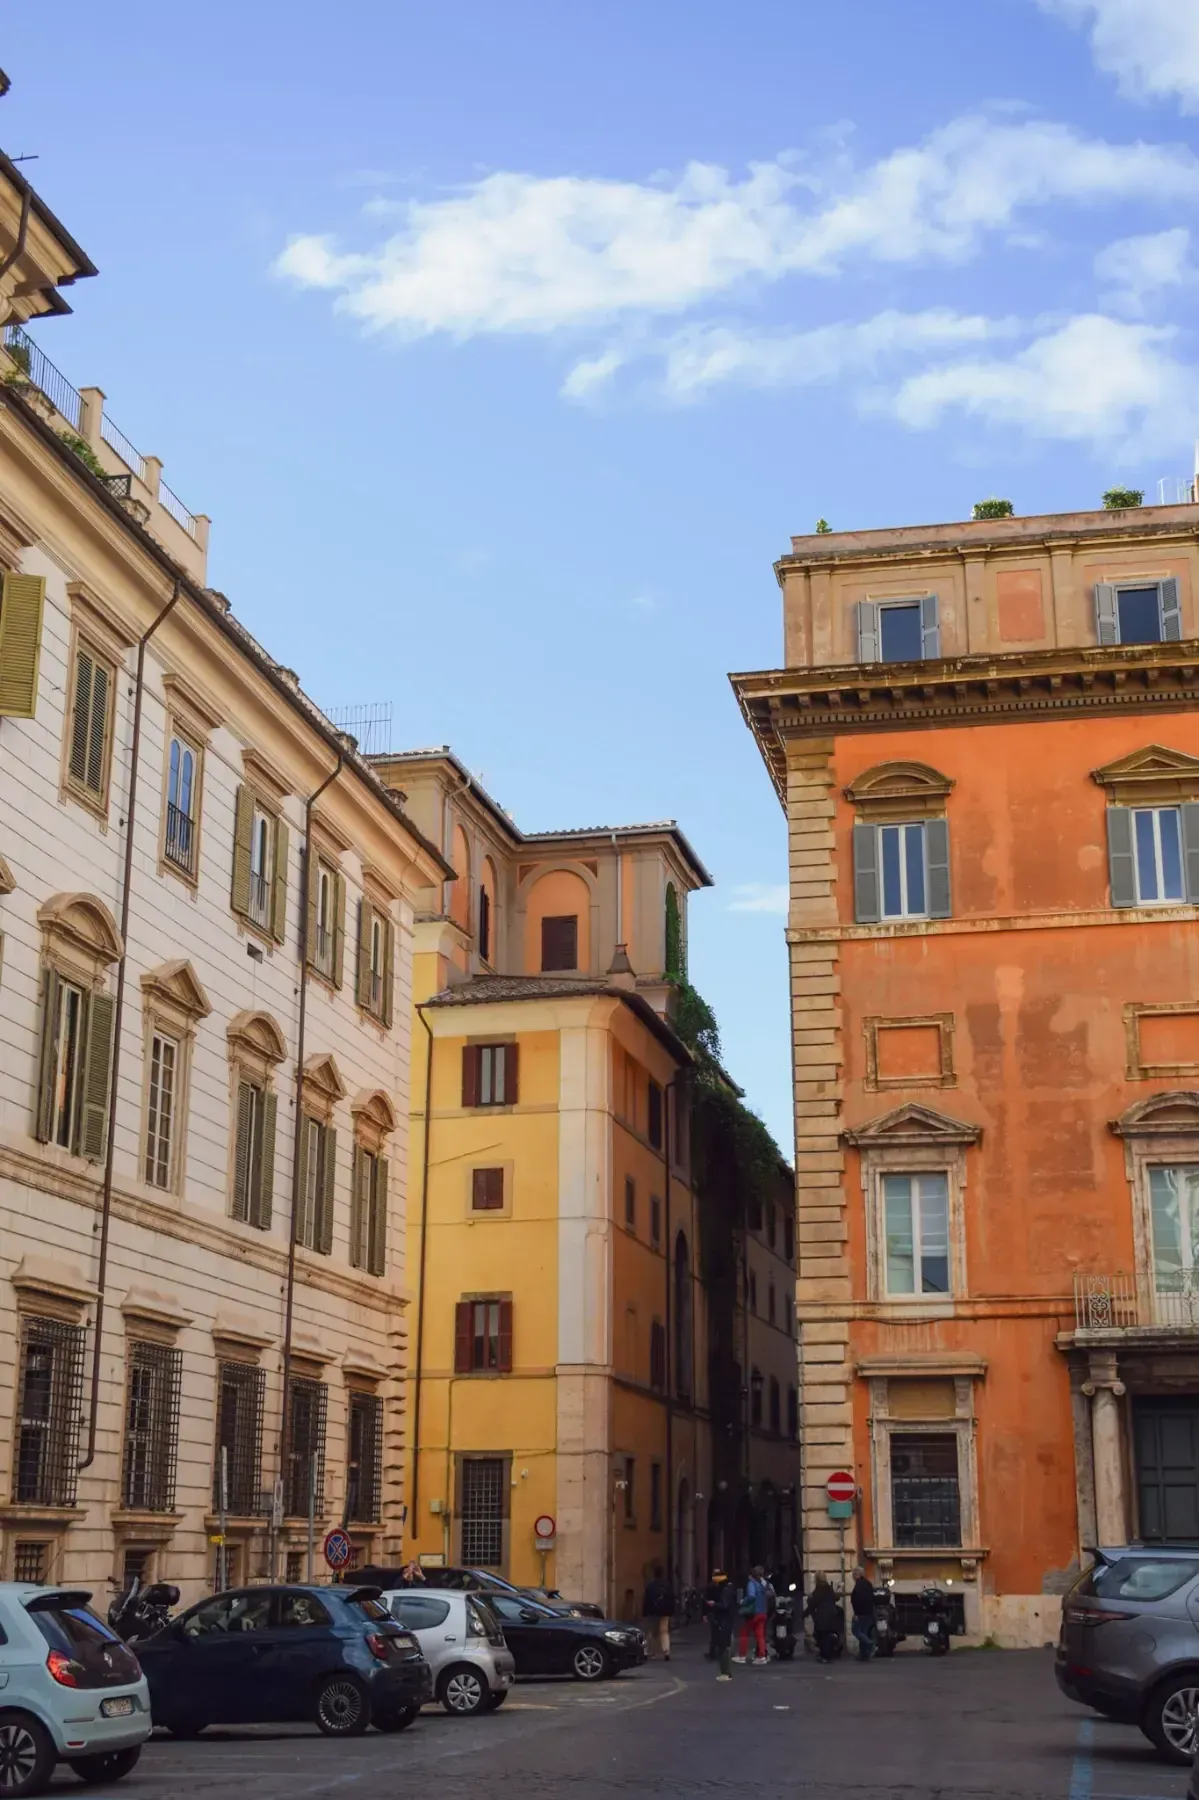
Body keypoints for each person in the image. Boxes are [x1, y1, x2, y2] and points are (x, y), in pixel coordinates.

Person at [733, 1565, 770, 1665]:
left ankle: (742, 1656)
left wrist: (743, 1601)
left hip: (754, 1613)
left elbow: (751, 1596)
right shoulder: (763, 1584)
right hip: (763, 1612)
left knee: (744, 1633)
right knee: (760, 1635)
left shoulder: (752, 1583)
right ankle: (762, 1656)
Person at [707, 1568, 738, 1681]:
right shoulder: (729, 1588)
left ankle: (726, 1672)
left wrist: (714, 1604)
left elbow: (724, 1605)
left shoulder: (725, 1590)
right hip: (726, 1620)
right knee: (723, 1646)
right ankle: (725, 1672)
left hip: (723, 1621)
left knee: (724, 1647)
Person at [642, 1564, 675, 1661]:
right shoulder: (667, 1585)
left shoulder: (651, 1586)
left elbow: (646, 1600)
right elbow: (672, 1598)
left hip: (653, 1612)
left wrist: (645, 1612)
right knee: (664, 1631)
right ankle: (666, 1650)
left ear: (654, 1574)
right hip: (665, 1612)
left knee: (651, 1632)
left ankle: (649, 1651)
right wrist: (671, 1612)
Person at [806, 1576, 842, 1663]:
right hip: (832, 1615)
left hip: (822, 1616)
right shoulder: (829, 1588)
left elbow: (813, 1602)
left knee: (823, 1637)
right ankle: (827, 1653)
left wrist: (804, 1614)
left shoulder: (819, 1590)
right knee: (826, 1635)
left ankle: (826, 1656)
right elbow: (835, 1598)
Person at [850, 1566, 877, 1662]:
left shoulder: (858, 1585)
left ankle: (870, 1644)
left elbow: (856, 1601)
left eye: (853, 1574)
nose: (852, 1577)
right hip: (869, 1612)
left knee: (856, 1631)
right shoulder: (868, 1584)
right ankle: (863, 1654)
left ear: (856, 1575)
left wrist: (856, 1613)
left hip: (861, 1613)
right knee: (864, 1632)